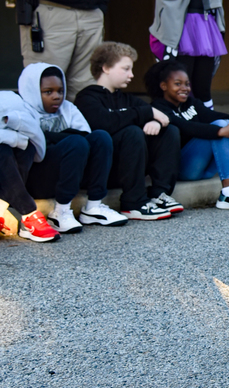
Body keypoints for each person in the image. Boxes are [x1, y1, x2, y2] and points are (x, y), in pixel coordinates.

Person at [146, 60, 229, 211]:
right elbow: (186, 127)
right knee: (220, 126)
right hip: (183, 169)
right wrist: (219, 131)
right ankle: (227, 193)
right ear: (163, 86)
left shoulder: (192, 103)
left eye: (187, 84)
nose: (184, 88)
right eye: (178, 84)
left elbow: (215, 115)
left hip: (204, 168)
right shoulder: (158, 109)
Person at [76, 42, 182, 220]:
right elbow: (104, 122)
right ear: (106, 68)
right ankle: (133, 203)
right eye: (126, 69)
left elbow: (163, 116)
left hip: (131, 168)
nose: (131, 75)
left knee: (169, 131)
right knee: (132, 132)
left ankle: (159, 194)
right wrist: (147, 113)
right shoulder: (87, 98)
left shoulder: (126, 98)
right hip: (101, 172)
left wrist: (155, 121)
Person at [18, 63, 127, 232]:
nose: (56, 97)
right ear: (32, 90)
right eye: (48, 92)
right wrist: (67, 138)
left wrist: (52, 137)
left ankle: (93, 207)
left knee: (101, 137)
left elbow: (85, 134)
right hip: (38, 178)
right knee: (76, 142)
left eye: (60, 91)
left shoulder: (67, 108)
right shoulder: (22, 111)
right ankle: (60, 212)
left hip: (71, 174)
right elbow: (32, 142)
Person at [0, 90, 62, 241]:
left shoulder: (12, 99)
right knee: (3, 151)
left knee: (26, 148)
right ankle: (29, 213)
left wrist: (14, 137)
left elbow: (34, 134)